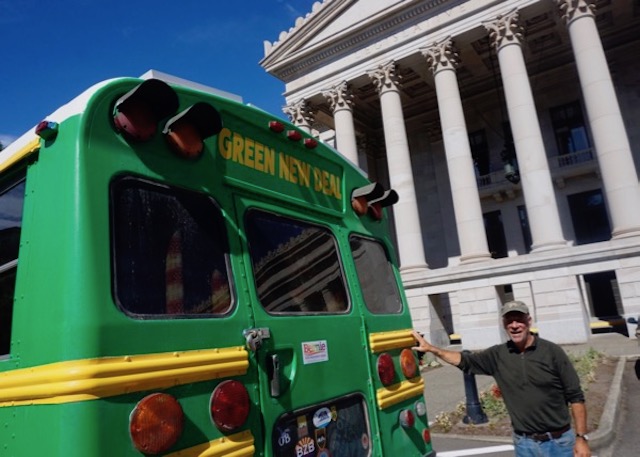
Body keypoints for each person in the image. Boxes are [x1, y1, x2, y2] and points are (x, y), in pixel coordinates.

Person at [412, 300, 591, 457]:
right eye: (509, 320)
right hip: (524, 444)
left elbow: (575, 396)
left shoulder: (552, 352)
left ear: (528, 321)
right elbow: (465, 361)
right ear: (503, 324)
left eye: (519, 319)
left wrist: (581, 438)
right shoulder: (498, 355)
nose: (514, 325)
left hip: (559, 443)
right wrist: (432, 349)